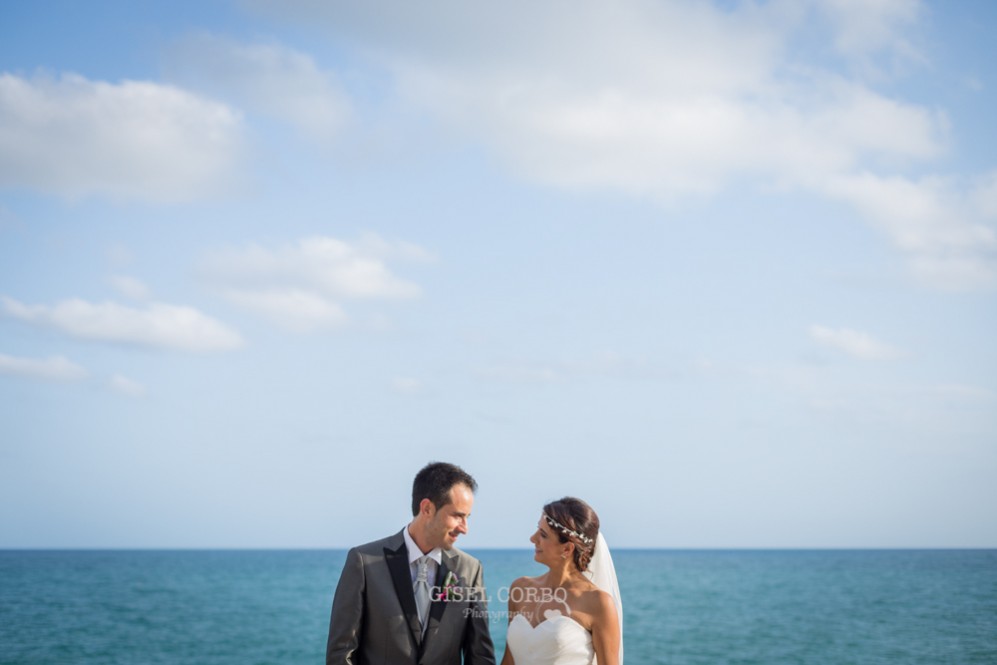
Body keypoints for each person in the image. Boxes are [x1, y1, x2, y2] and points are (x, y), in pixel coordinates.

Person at [326, 462, 496, 665]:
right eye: (458, 516)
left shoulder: (470, 569)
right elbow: (341, 654)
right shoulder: (363, 562)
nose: (465, 528)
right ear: (427, 508)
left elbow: (480, 656)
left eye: (467, 517)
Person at [501, 497, 622, 665]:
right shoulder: (520, 589)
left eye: (543, 535)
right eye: (538, 530)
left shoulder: (599, 603)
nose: (532, 538)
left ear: (567, 548)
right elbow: (509, 660)